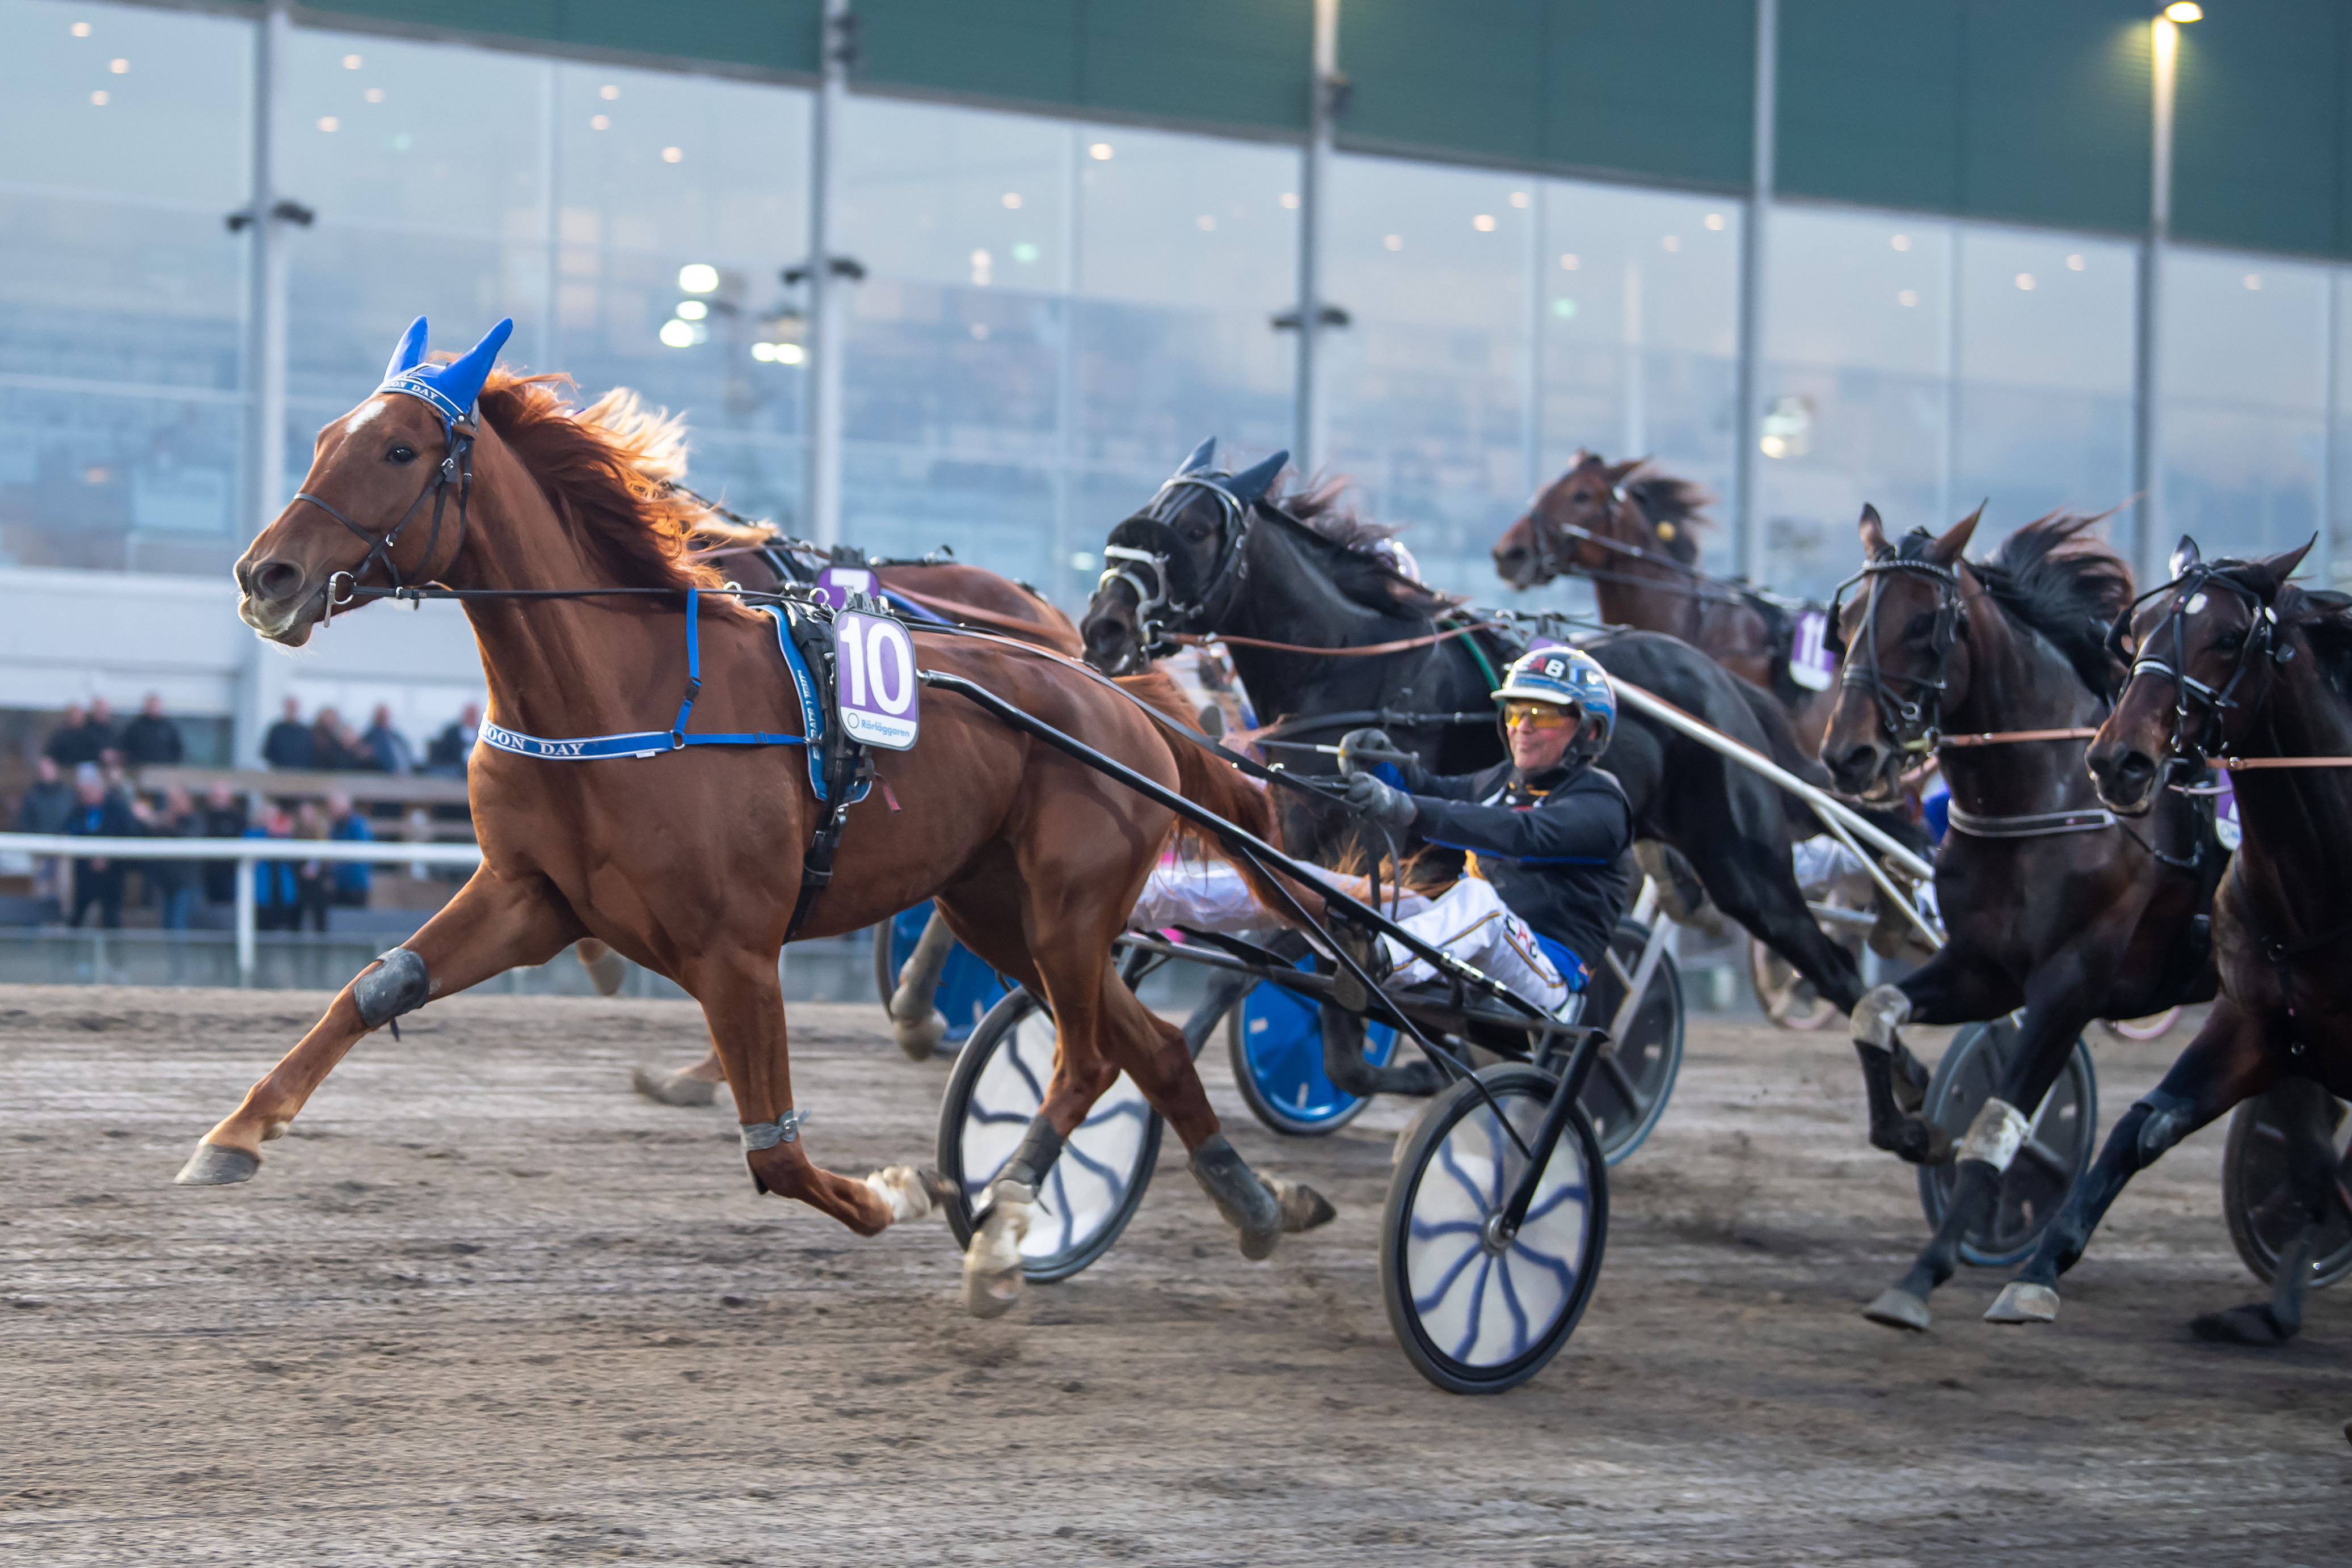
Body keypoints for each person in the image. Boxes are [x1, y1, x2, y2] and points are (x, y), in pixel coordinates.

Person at [1330, 647, 1633, 1014]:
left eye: (1543, 714)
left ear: (1592, 730)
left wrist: (1406, 807)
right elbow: (1429, 791)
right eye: (1517, 712)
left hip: (1549, 975)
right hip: (1477, 947)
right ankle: (1269, 927)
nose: (1523, 727)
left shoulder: (1603, 805)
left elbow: (1521, 834)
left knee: (1479, 900)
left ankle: (1379, 961)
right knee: (1341, 889)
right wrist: (1379, 765)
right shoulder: (1499, 782)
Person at [65, 764, 140, 930]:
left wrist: (108, 858)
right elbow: (71, 830)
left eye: (88, 792)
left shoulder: (117, 809)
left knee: (111, 918)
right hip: (86, 873)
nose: (85, 796)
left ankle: (114, 955)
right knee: (78, 917)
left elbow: (128, 835)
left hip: (111, 875)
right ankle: (71, 954)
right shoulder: (80, 809)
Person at [134, 785, 204, 930]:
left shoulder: (195, 821)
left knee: (179, 926)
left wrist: (166, 823)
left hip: (186, 885)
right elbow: (152, 833)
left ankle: (180, 954)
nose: (172, 805)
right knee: (168, 926)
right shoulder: (166, 821)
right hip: (167, 884)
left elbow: (187, 839)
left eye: (175, 801)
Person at [14, 755, 75, 914]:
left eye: (48, 768)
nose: (45, 772)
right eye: (42, 769)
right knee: (40, 890)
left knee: (63, 888)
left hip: (63, 850)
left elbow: (74, 819)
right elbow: (25, 823)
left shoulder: (67, 795)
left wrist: (67, 835)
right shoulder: (32, 796)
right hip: (40, 851)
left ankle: (62, 927)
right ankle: (40, 925)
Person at [245, 806, 301, 932]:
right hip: (261, 895)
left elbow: (292, 860)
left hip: (283, 893)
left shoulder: (286, 837)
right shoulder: (253, 835)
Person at [199, 780, 248, 907]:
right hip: (206, 875)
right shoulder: (203, 818)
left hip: (230, 874)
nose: (218, 800)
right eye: (215, 796)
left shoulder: (238, 820)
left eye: (221, 797)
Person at [324, 790, 373, 908]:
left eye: (335, 806)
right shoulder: (335, 826)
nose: (333, 810)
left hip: (356, 886)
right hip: (339, 885)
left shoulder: (358, 825)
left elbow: (361, 856)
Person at [120, 693, 185, 766]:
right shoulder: (135, 728)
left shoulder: (169, 728)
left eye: (156, 705)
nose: (154, 708)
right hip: (140, 769)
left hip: (165, 769)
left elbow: (177, 749)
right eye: (152, 705)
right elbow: (126, 749)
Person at [424, 702, 480, 778]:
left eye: (473, 715)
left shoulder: (483, 733)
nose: (471, 718)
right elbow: (445, 749)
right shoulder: (452, 731)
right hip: (455, 767)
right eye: (469, 715)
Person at [44, 702, 104, 768]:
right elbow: (51, 754)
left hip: (92, 767)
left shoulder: (92, 732)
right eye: (74, 715)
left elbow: (99, 750)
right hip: (67, 768)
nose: (77, 718)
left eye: (79, 715)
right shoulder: (61, 735)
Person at [360, 705, 415, 775]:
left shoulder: (396, 737)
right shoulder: (369, 738)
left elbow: (407, 754)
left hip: (403, 775)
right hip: (382, 776)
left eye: (386, 717)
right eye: (382, 717)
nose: (384, 720)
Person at [263, 697, 314, 770]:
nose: (292, 709)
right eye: (290, 706)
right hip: (279, 774)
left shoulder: (306, 731)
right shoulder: (276, 730)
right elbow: (269, 754)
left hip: (303, 774)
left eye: (294, 707)